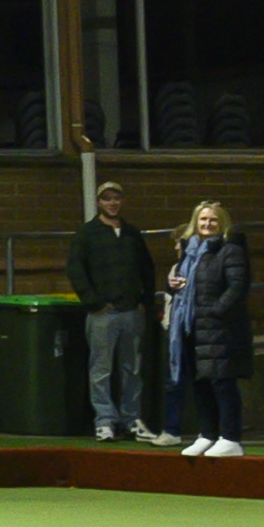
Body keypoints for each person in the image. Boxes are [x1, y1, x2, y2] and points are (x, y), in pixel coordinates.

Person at [68, 178, 166, 445]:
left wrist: (144, 300)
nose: (112, 203)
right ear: (99, 202)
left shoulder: (133, 233)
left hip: (131, 312)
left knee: (132, 369)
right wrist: (94, 303)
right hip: (102, 314)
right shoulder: (86, 233)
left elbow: (147, 267)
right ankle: (104, 421)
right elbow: (75, 269)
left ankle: (131, 419)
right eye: (107, 198)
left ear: (122, 201)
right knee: (101, 369)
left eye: (116, 198)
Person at [173, 200, 252, 453]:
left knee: (222, 381)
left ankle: (230, 438)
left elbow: (237, 286)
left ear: (222, 223)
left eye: (213, 220)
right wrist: (173, 285)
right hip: (192, 326)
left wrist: (215, 310)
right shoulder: (190, 251)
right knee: (201, 382)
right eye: (203, 219)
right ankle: (207, 433)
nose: (207, 224)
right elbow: (188, 286)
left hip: (220, 327)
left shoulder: (230, 249)